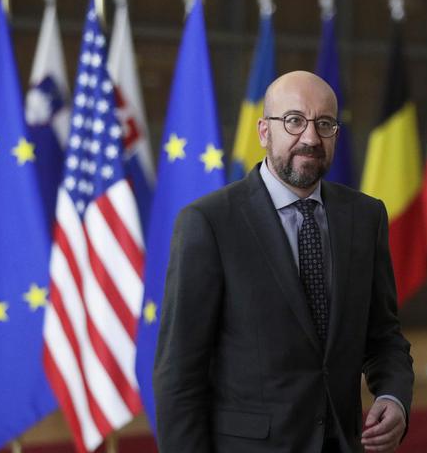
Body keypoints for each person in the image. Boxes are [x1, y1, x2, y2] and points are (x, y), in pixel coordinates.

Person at [154, 71, 413, 453]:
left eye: (324, 124)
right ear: (264, 131)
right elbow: (179, 373)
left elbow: (384, 335)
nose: (310, 137)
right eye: (294, 120)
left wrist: (394, 396)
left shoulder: (365, 217)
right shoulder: (209, 222)